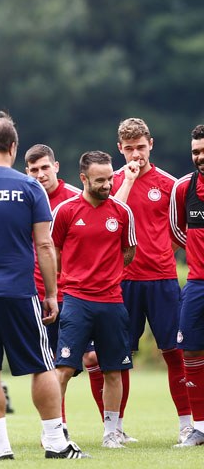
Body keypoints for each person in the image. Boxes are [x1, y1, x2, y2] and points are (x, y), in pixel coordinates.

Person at [0, 111, 88, 460]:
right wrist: (51, 293)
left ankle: (1, 446)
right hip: (17, 291)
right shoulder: (29, 187)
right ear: (12, 147)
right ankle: (55, 443)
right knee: (42, 365)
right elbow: (44, 244)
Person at [85, 118, 192, 444]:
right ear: (120, 148)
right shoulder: (113, 182)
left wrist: (160, 251)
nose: (136, 154)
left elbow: (182, 229)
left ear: (151, 144)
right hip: (123, 282)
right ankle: (116, 428)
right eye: (129, 148)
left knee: (175, 353)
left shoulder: (170, 184)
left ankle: (187, 425)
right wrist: (128, 182)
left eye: (141, 147)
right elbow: (105, 218)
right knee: (118, 358)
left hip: (162, 280)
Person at [52, 150, 136, 449]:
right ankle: (54, 431)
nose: (107, 185)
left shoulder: (122, 212)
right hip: (76, 301)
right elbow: (53, 251)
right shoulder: (65, 211)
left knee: (113, 369)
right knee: (64, 369)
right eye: (100, 180)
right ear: (84, 178)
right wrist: (74, 275)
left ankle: (112, 433)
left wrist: (107, 272)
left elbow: (129, 251)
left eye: (110, 178)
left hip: (112, 301)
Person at [24, 144, 80, 441]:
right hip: (37, 296)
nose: (40, 174)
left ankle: (113, 429)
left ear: (56, 166)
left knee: (95, 360)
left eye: (45, 167)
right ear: (27, 172)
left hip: (75, 293)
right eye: (34, 170)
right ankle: (58, 427)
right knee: (49, 365)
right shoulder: (23, 201)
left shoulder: (75, 197)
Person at [170, 124, 204, 447]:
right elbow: (177, 231)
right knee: (190, 349)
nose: (200, 156)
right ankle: (201, 428)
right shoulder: (184, 188)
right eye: (196, 151)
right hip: (196, 282)